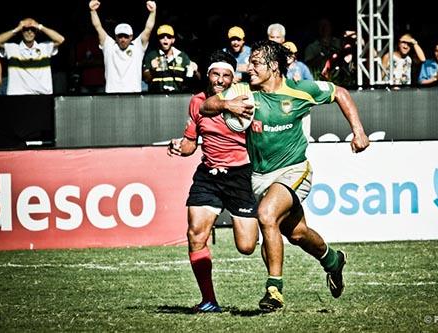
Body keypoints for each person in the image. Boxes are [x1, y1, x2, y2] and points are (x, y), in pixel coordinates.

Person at [200, 40, 370, 311]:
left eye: (255, 63)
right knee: (298, 233)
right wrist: (226, 104)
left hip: (294, 170)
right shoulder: (244, 91)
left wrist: (358, 131)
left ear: (274, 66)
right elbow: (205, 107)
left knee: (267, 215)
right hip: (260, 176)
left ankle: (274, 290)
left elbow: (340, 92)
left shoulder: (301, 90)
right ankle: (333, 261)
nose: (249, 67)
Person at [167, 50, 259, 313]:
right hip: (209, 174)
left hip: (240, 175)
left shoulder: (246, 98)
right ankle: (209, 301)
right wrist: (179, 145)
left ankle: (263, 220)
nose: (219, 80)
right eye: (215, 74)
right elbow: (190, 145)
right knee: (195, 235)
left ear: (233, 78)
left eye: (225, 75)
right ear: (208, 75)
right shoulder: (197, 101)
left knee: (246, 246)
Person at [89, 0, 156, 93]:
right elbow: (98, 27)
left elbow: (148, 28)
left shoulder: (138, 47)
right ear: (116, 37)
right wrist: (93, 11)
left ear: (131, 36)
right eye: (120, 36)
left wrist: (153, 12)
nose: (123, 39)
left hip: (134, 94)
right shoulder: (109, 45)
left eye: (126, 36)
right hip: (112, 95)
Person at [0, 18, 65, 95]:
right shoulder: (13, 49)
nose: (29, 32)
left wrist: (39, 26)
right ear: (22, 31)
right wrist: (17, 29)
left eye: (32, 29)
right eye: (26, 29)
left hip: (42, 97)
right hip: (17, 98)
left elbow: (61, 39)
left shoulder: (44, 47)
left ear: (36, 32)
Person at [143, 24, 199, 93]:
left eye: (168, 37)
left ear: (173, 40)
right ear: (158, 39)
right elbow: (146, 79)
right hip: (157, 97)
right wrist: (152, 69)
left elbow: (197, 80)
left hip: (177, 97)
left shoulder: (182, 56)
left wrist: (195, 71)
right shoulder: (151, 56)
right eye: (162, 37)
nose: (165, 39)